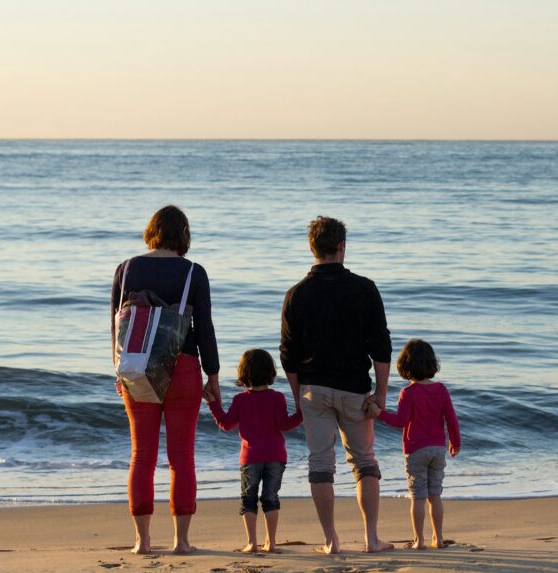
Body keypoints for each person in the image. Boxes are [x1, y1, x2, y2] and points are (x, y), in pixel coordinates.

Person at [280, 215, 394, 554]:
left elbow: (288, 354)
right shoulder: (364, 288)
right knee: (365, 462)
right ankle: (371, 538)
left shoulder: (296, 294)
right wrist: (382, 393)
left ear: (312, 248)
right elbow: (381, 346)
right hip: (354, 389)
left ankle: (331, 541)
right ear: (342, 246)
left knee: (320, 465)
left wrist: (297, 395)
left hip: (313, 388)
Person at [111, 205, 221, 555]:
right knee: (181, 456)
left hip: (136, 364)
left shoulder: (126, 269)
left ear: (151, 231)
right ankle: (181, 542)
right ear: (183, 235)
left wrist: (119, 368)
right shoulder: (193, 273)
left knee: (141, 455)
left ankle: (142, 542)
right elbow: (204, 327)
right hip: (183, 367)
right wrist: (213, 374)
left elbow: (116, 325)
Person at [205, 349, 303, 553]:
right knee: (270, 497)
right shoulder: (277, 398)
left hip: (250, 457)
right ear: (270, 372)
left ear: (243, 373)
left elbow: (226, 424)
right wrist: (303, 413)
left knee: (248, 498)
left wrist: (213, 403)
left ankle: (252, 543)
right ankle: (272, 542)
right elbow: (285, 425)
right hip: (276, 455)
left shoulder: (241, 399)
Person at [366, 339, 460, 549]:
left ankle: (419, 540)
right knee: (435, 495)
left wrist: (379, 414)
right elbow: (451, 418)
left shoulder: (408, 393)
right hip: (438, 449)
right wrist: (455, 441)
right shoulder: (441, 390)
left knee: (418, 496)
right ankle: (440, 538)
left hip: (416, 449)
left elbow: (400, 421)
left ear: (405, 367)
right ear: (432, 365)